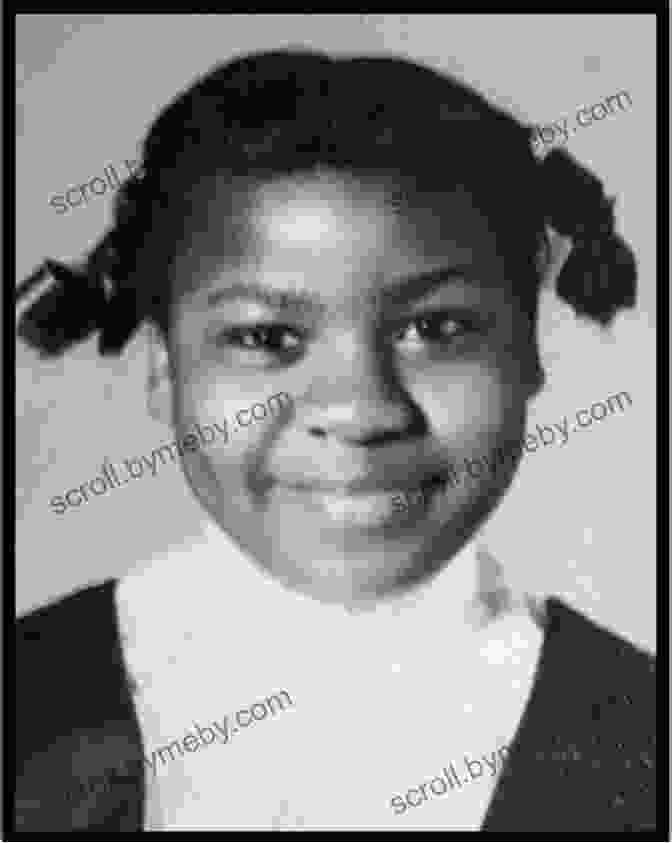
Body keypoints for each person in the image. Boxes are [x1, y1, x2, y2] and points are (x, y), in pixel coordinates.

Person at [15, 49, 655, 832]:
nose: (358, 410)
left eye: (437, 328)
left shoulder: (638, 746)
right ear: (163, 368)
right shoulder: (28, 709)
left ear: (527, 353)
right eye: (266, 336)